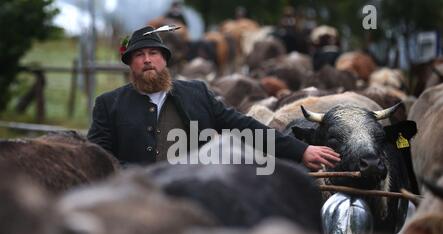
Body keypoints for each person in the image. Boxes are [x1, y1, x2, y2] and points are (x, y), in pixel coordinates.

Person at [87, 26, 340, 170]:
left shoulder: (196, 93)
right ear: (131, 63)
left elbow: (246, 128)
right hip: (135, 199)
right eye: (139, 55)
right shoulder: (109, 104)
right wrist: (136, 175)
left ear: (165, 60)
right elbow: (97, 157)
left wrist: (301, 150)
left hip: (196, 191)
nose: (147, 60)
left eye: (153, 53)